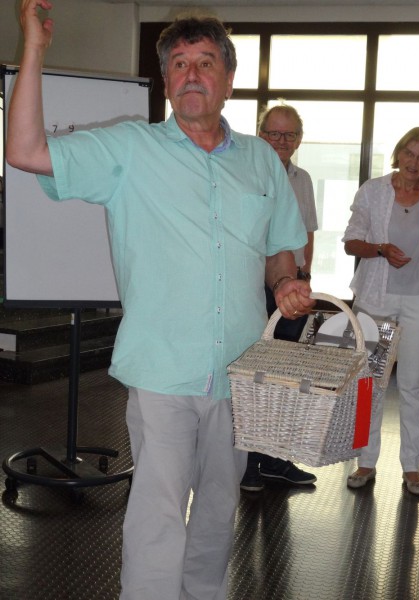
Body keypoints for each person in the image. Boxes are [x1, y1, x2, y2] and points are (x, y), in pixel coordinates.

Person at [7, 2, 316, 599]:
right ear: (167, 80)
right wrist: (34, 47)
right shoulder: (131, 149)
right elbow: (24, 151)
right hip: (162, 371)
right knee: (157, 516)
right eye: (179, 63)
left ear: (229, 79)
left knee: (218, 513)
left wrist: (284, 282)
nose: (192, 74)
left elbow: (280, 247)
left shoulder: (261, 160)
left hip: (238, 372)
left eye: (206, 62)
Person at [343, 127, 419, 496]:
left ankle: (412, 468)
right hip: (375, 297)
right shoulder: (373, 190)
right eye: (410, 153)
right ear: (399, 152)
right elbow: (350, 242)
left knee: (412, 384)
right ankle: (364, 460)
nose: (414, 163)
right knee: (368, 382)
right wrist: (381, 249)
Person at [240, 104, 319, 492]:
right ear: (260, 135)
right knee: (252, 378)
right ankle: (248, 463)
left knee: (284, 379)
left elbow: (308, 232)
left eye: (289, 134)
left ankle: (275, 458)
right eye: (273, 133)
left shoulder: (302, 179)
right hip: (253, 289)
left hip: (292, 291)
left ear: (299, 139)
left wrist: (304, 276)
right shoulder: (244, 173)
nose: (281, 141)